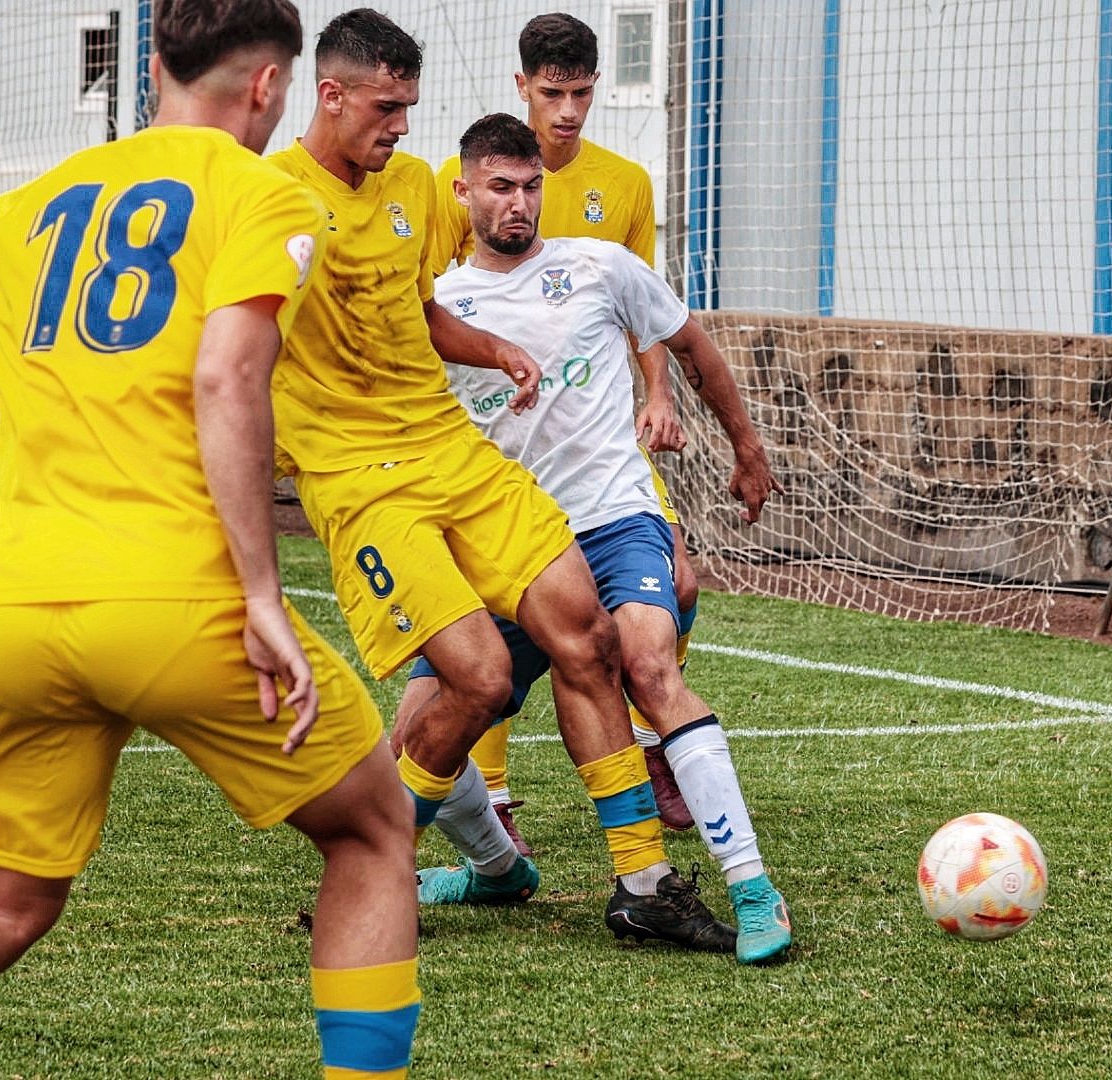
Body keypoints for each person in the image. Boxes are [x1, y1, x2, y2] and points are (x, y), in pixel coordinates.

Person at [0, 2, 421, 1074]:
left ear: (157, 62)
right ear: (268, 87)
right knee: (372, 831)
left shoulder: (29, 204)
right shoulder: (261, 190)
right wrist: (262, 595)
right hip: (179, 604)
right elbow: (227, 373)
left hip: (19, 610)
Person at [268, 8, 733, 954]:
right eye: (387, 108)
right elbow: (230, 352)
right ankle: (377, 873)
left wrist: (498, 349)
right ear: (331, 95)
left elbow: (423, 309)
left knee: (587, 635)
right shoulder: (267, 198)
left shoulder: (412, 188)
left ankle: (642, 884)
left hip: (452, 451)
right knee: (475, 678)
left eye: (409, 108)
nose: (401, 127)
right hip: (360, 480)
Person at [418, 113, 793, 966]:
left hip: (612, 516)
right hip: (505, 538)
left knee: (648, 665)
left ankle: (748, 885)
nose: (519, 203)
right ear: (465, 191)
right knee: (424, 725)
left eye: (530, 186)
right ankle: (496, 870)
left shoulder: (598, 265)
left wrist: (747, 449)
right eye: (501, 187)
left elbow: (692, 348)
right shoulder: (438, 302)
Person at [428, 11, 699, 852]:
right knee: (496, 626)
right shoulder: (460, 179)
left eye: (582, 93)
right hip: (496, 444)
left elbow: (643, 310)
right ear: (524, 89)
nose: (570, 109)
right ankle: (497, 798)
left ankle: (656, 746)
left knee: (678, 589)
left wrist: (659, 394)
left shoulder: (625, 183)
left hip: (598, 435)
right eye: (554, 93)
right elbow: (436, 304)